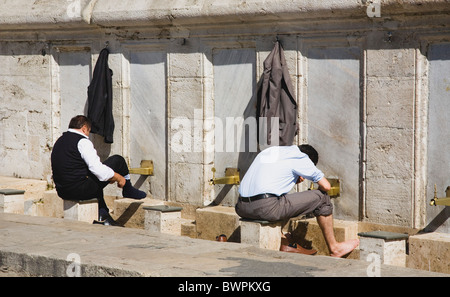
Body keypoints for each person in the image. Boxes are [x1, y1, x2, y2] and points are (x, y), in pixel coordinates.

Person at [235, 144, 359, 257]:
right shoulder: (301, 157)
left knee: (281, 198)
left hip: (241, 207)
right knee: (322, 197)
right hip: (266, 207)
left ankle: (284, 239)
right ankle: (335, 247)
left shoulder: (271, 151)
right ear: (308, 160)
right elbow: (326, 186)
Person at [51, 115, 146, 225]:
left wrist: (108, 176)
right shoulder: (82, 142)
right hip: (80, 191)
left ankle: (103, 215)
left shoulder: (60, 141)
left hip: (63, 191)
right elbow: (97, 169)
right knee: (117, 160)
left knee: (93, 177)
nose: (88, 135)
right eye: (88, 132)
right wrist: (118, 177)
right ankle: (128, 188)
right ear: (84, 128)